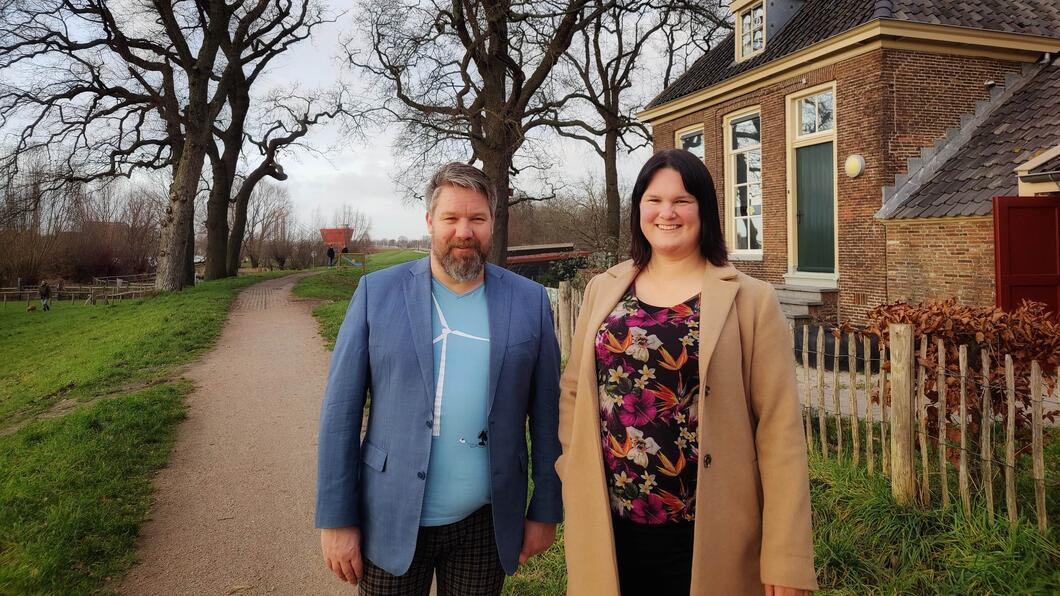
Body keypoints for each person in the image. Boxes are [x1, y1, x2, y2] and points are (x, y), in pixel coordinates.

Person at [556, 149, 817, 596]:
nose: (667, 213)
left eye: (682, 200)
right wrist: (571, 467)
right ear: (639, 208)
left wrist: (786, 556)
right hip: (611, 528)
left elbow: (780, 430)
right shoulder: (604, 290)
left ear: (705, 210)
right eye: (654, 200)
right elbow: (575, 391)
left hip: (709, 534)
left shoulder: (751, 300)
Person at [316, 162, 562, 596]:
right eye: (451, 218)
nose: (464, 231)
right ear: (430, 222)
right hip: (389, 517)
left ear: (492, 223)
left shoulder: (529, 301)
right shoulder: (377, 294)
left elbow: (546, 418)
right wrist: (337, 519)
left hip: (484, 524)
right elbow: (340, 413)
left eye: (477, 218)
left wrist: (544, 510)